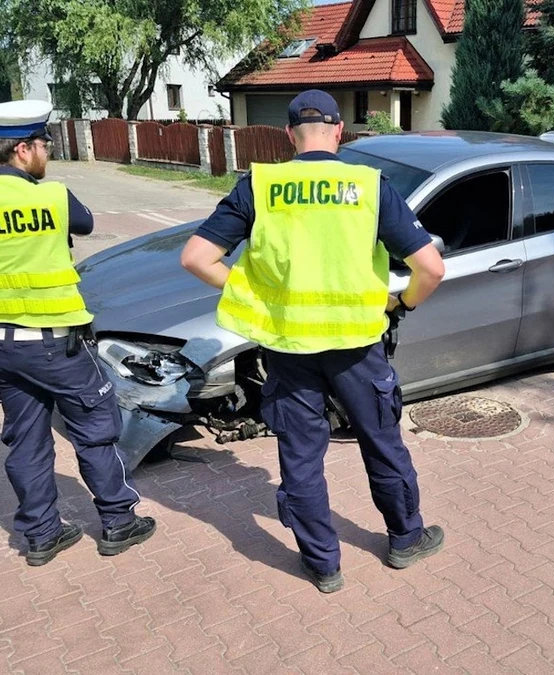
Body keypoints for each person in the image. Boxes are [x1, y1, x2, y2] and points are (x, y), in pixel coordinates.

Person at [181, 90, 446, 593]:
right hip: (358, 348)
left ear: (289, 135)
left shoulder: (261, 184)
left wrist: (252, 292)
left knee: (301, 458)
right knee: (382, 443)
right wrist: (401, 304)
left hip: (288, 350)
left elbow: (196, 257)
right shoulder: (369, 186)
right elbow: (430, 268)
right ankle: (405, 539)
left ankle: (324, 565)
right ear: (339, 132)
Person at [0, 100, 156, 566]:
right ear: (23, 149)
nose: (48, 152)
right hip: (58, 345)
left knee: (26, 441)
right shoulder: (52, 197)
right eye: (44, 144)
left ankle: (42, 535)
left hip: (0, 348)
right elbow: (85, 223)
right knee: (94, 430)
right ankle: (117, 521)